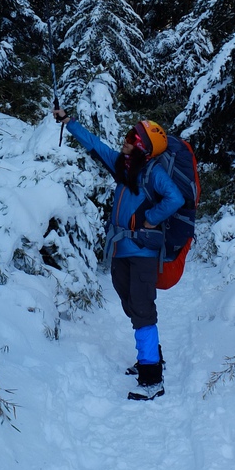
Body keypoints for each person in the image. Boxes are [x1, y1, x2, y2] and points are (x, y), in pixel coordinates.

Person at [52, 108, 184, 400]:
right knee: (129, 302)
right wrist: (69, 123)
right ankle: (151, 356)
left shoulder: (154, 173)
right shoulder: (125, 167)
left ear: (143, 147)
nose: (125, 140)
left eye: (131, 138)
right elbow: (96, 145)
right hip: (121, 249)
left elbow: (176, 197)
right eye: (128, 135)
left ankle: (152, 379)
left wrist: (151, 217)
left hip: (143, 252)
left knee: (142, 308)